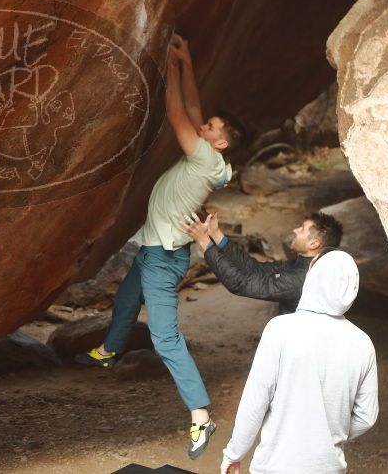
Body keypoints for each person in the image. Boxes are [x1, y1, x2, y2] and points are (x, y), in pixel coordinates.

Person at [75, 33, 245, 459]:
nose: (202, 125)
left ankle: (201, 417)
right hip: (157, 250)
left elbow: (175, 112)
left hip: (163, 258)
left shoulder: (205, 159)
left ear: (219, 142)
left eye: (210, 128)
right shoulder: (217, 162)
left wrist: (168, 68)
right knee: (127, 299)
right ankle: (109, 351)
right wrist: (186, 62)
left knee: (166, 339)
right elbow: (191, 109)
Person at [220, 250, 378, 474]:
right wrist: (324, 436)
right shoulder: (363, 344)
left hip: (275, 467)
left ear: (313, 278)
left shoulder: (281, 329)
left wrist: (234, 454)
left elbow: (255, 402)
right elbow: (366, 417)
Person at [180, 211, 343, 314]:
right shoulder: (303, 265)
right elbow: (254, 268)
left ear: (314, 244)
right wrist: (216, 235)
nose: (295, 230)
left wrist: (204, 242)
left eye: (302, 228)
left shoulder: (302, 279)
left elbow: (241, 284)